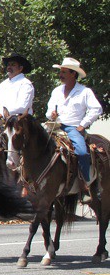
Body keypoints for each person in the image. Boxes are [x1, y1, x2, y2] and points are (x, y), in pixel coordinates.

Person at [46, 57, 102, 189]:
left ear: (73, 74)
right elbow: (49, 111)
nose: (61, 75)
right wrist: (51, 114)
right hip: (54, 125)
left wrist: (83, 125)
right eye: (61, 72)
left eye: (64, 72)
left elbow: (96, 109)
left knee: (82, 152)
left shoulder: (84, 92)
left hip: (73, 128)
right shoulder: (56, 91)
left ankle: (85, 181)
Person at [0, 53, 35, 126]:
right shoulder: (3, 84)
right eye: (8, 65)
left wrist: (1, 114)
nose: (9, 67)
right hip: (0, 123)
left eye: (13, 65)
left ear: (20, 68)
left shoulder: (25, 84)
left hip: (20, 123)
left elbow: (22, 107)